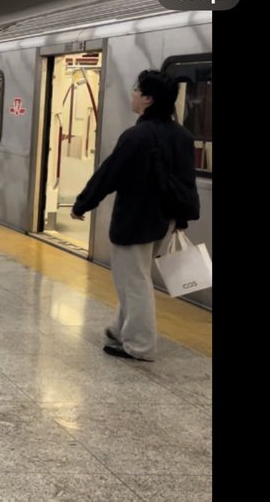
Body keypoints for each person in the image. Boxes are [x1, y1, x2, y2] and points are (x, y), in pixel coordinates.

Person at [71, 70, 199, 362]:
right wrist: (180, 218)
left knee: (135, 283)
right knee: (134, 279)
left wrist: (82, 204)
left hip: (136, 221)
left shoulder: (137, 136)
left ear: (148, 99)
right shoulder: (182, 135)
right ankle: (119, 331)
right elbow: (186, 182)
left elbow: (109, 174)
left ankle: (140, 345)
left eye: (136, 90)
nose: (133, 94)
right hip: (164, 220)